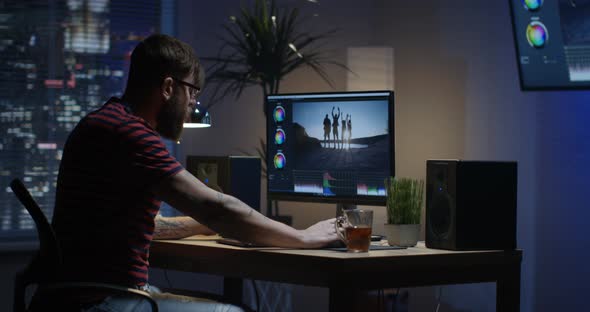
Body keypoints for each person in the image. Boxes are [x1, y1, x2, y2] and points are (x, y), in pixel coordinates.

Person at [30, 34, 339, 312]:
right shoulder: (130, 134)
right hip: (98, 301)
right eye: (192, 91)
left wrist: (201, 226)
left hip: (73, 295)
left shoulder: (105, 121)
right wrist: (303, 237)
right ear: (168, 87)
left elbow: (143, 225)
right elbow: (217, 208)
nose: (193, 103)